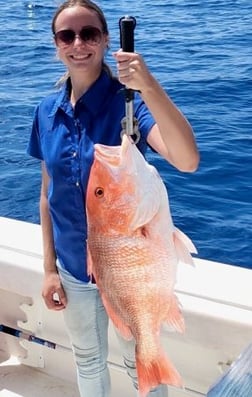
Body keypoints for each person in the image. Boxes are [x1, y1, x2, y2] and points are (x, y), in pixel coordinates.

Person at [27, 1, 199, 396]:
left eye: (89, 33)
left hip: (127, 269)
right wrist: (49, 267)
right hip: (74, 269)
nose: (78, 44)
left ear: (105, 40)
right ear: (56, 45)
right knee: (86, 360)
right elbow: (46, 196)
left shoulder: (131, 103)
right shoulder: (45, 111)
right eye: (66, 36)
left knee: (141, 360)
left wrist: (148, 85)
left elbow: (187, 160)